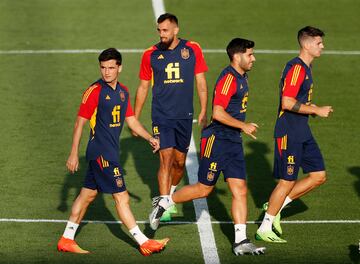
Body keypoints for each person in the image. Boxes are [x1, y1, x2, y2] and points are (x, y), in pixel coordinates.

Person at [149, 38, 266, 256]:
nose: (253, 58)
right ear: (237, 56)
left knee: (240, 190)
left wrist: (240, 130)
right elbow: (217, 113)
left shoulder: (243, 76)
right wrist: (244, 126)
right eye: (250, 54)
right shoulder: (228, 79)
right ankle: (165, 202)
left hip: (233, 140)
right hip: (218, 140)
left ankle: (241, 240)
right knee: (204, 188)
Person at [56, 48, 169, 256]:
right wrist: (73, 153)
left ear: (119, 68)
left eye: (110, 67)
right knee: (121, 197)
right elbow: (79, 123)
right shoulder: (94, 92)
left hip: (110, 152)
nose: (106, 72)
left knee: (87, 195)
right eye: (103, 68)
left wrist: (150, 138)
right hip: (101, 153)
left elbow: (132, 121)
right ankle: (144, 242)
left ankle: (66, 239)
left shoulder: (123, 92)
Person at [255, 26, 333, 243]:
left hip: (302, 130)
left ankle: (276, 207)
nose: (322, 47)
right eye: (319, 43)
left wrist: (310, 107)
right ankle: (265, 226)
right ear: (307, 44)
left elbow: (297, 100)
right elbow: (287, 102)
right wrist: (316, 110)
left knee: (318, 176)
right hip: (289, 132)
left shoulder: (306, 68)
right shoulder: (296, 68)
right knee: (287, 181)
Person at [133, 13, 208, 221]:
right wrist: (135, 117)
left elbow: (201, 81)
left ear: (176, 30)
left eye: (165, 30)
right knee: (165, 160)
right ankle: (163, 201)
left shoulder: (193, 49)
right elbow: (143, 87)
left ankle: (169, 197)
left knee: (179, 163)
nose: (161, 34)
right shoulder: (150, 54)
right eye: (159, 30)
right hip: (161, 115)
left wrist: (203, 109)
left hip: (184, 116)